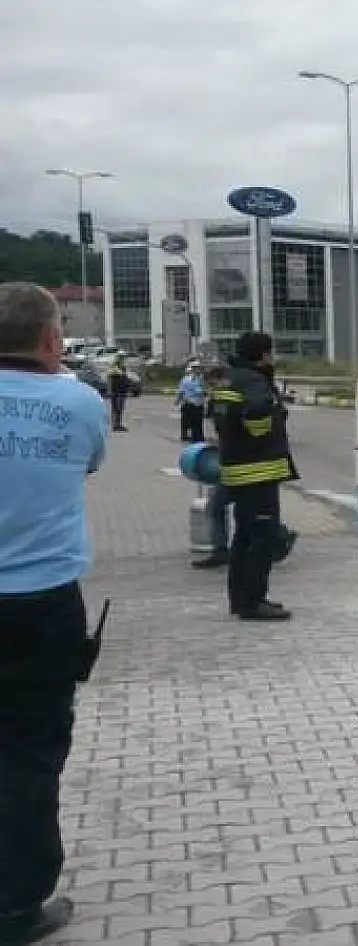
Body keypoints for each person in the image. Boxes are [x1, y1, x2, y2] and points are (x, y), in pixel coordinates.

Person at [0, 282, 107, 945]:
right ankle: (16, 908)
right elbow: (89, 463)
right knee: (29, 757)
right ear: (50, 339)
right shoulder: (78, 401)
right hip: (39, 605)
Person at [208, 332, 298, 621]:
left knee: (244, 537)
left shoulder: (228, 378)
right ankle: (253, 601)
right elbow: (258, 411)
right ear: (263, 355)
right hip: (258, 470)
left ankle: (240, 599)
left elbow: (216, 413)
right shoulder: (254, 381)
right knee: (262, 537)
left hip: (235, 470)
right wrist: (262, 430)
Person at [191, 363, 297, 570]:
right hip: (233, 465)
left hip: (247, 466)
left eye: (212, 383)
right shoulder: (221, 400)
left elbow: (262, 422)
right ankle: (272, 537)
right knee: (232, 508)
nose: (210, 388)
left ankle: (275, 537)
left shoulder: (247, 395)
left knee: (235, 508)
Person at [175, 362, 207, 442]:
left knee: (197, 422)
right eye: (195, 368)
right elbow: (181, 391)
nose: (197, 370)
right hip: (189, 403)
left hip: (197, 404)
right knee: (187, 421)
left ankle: (196, 437)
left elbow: (204, 392)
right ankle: (187, 436)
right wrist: (177, 401)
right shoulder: (186, 379)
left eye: (198, 368)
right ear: (192, 369)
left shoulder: (201, 380)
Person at [105, 352, 129, 432]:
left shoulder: (122, 366)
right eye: (121, 357)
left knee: (119, 409)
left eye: (124, 357)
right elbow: (111, 378)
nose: (123, 358)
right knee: (116, 408)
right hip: (116, 391)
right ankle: (116, 425)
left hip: (122, 391)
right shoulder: (114, 366)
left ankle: (117, 424)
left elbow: (124, 378)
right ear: (118, 357)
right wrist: (109, 390)